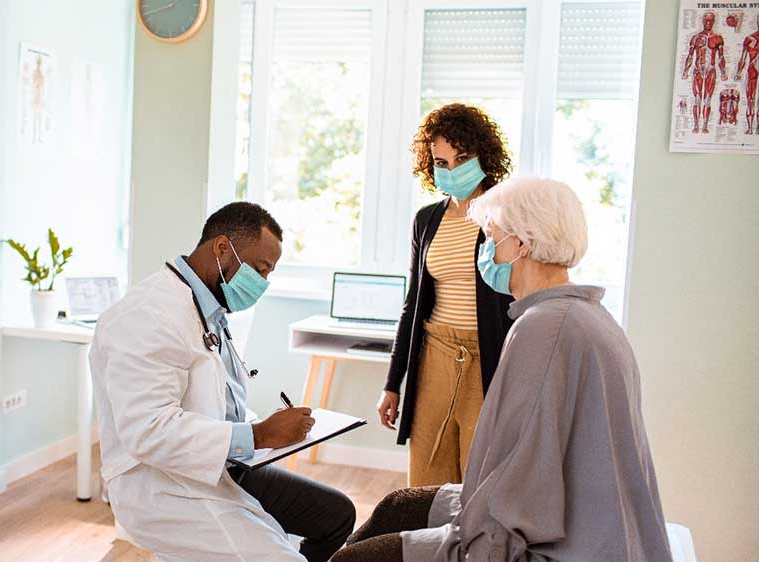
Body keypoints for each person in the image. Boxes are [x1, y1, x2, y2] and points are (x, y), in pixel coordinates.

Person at [331, 177, 672, 562]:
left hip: (562, 540)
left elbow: (517, 486)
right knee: (397, 506)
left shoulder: (543, 328)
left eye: (491, 237)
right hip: (580, 516)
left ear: (522, 243)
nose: (486, 250)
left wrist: (470, 547)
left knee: (354, 560)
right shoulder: (589, 315)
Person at [91, 202, 356, 562]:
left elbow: (213, 397)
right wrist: (259, 435)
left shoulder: (209, 309)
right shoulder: (148, 315)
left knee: (336, 515)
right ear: (221, 248)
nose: (262, 284)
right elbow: (148, 431)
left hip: (222, 465)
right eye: (260, 269)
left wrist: (262, 428)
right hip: (161, 485)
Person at [377, 103, 514, 487]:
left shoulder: (506, 215)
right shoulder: (427, 220)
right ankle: (427, 547)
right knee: (426, 473)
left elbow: (519, 300)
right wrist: (392, 383)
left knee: (480, 473)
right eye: (442, 162)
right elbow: (412, 305)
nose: (452, 170)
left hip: (487, 359)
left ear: (483, 155)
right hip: (434, 355)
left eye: (462, 158)